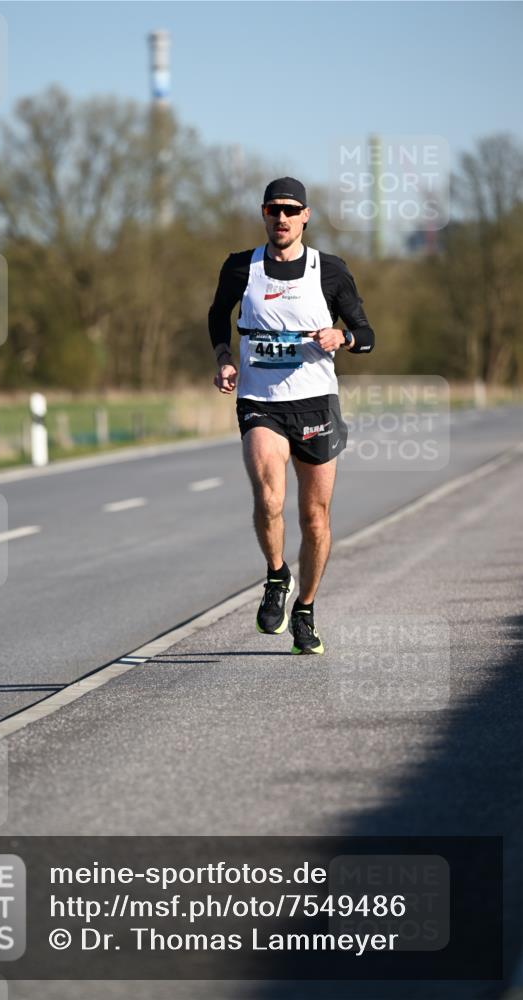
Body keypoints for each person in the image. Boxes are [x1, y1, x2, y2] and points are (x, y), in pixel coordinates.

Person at [208, 177, 375, 654]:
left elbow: (366, 333)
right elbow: (217, 314)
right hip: (261, 403)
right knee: (270, 498)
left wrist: (341, 338)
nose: (281, 218)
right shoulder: (242, 267)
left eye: (290, 210)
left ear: (305, 216)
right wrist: (224, 355)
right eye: (273, 209)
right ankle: (277, 574)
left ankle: (305, 608)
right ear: (263, 214)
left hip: (316, 403)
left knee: (315, 517)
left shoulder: (331, 271)